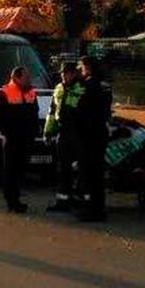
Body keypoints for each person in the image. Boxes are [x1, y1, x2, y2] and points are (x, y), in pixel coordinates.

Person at [0, 66, 40, 213]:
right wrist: (7, 132)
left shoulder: (31, 93)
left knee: (20, 170)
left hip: (26, 138)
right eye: (26, 78)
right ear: (17, 78)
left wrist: (34, 132)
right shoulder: (5, 93)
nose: (29, 80)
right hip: (12, 138)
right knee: (11, 171)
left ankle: (16, 198)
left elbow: (34, 114)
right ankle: (11, 201)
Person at [75, 55, 113, 222]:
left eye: (82, 67)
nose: (80, 69)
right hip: (100, 132)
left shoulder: (88, 85)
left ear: (88, 67)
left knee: (88, 173)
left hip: (89, 134)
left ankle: (90, 208)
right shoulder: (104, 85)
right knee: (97, 174)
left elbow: (81, 108)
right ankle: (99, 207)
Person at [44, 61, 84, 213]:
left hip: (78, 132)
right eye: (62, 73)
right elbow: (52, 112)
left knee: (79, 168)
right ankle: (62, 201)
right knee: (63, 168)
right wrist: (48, 132)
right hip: (63, 132)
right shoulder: (59, 88)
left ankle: (78, 200)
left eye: (66, 73)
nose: (63, 75)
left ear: (74, 73)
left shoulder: (82, 88)